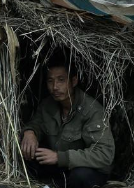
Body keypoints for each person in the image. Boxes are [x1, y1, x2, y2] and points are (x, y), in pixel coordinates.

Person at [21, 59, 115, 188]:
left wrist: (60, 157)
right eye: (50, 81)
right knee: (28, 154)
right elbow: (36, 123)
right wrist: (30, 132)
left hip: (89, 169)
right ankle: (54, 183)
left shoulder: (92, 110)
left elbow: (104, 154)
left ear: (74, 81)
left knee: (80, 176)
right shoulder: (48, 105)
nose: (55, 87)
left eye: (61, 80)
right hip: (61, 166)